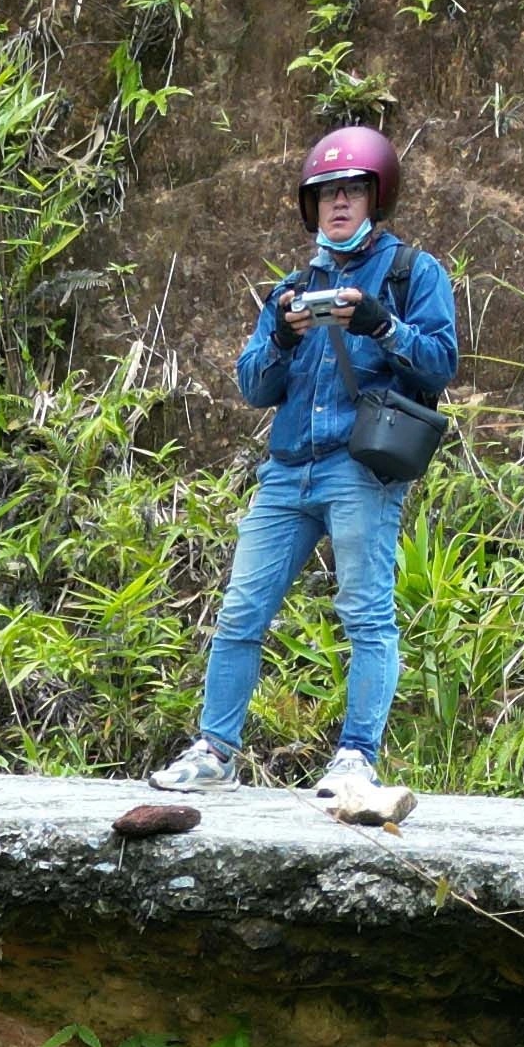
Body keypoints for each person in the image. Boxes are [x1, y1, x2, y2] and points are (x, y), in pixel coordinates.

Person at [149, 125, 461, 808]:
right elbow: (254, 385)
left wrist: (379, 323)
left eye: (351, 191)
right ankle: (215, 751)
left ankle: (356, 759)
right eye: (325, 195)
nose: (338, 205)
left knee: (366, 614)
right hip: (288, 469)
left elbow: (442, 362)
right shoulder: (292, 287)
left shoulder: (414, 273)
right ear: (310, 207)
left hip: (363, 467)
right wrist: (286, 338)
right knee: (240, 611)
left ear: (376, 196)